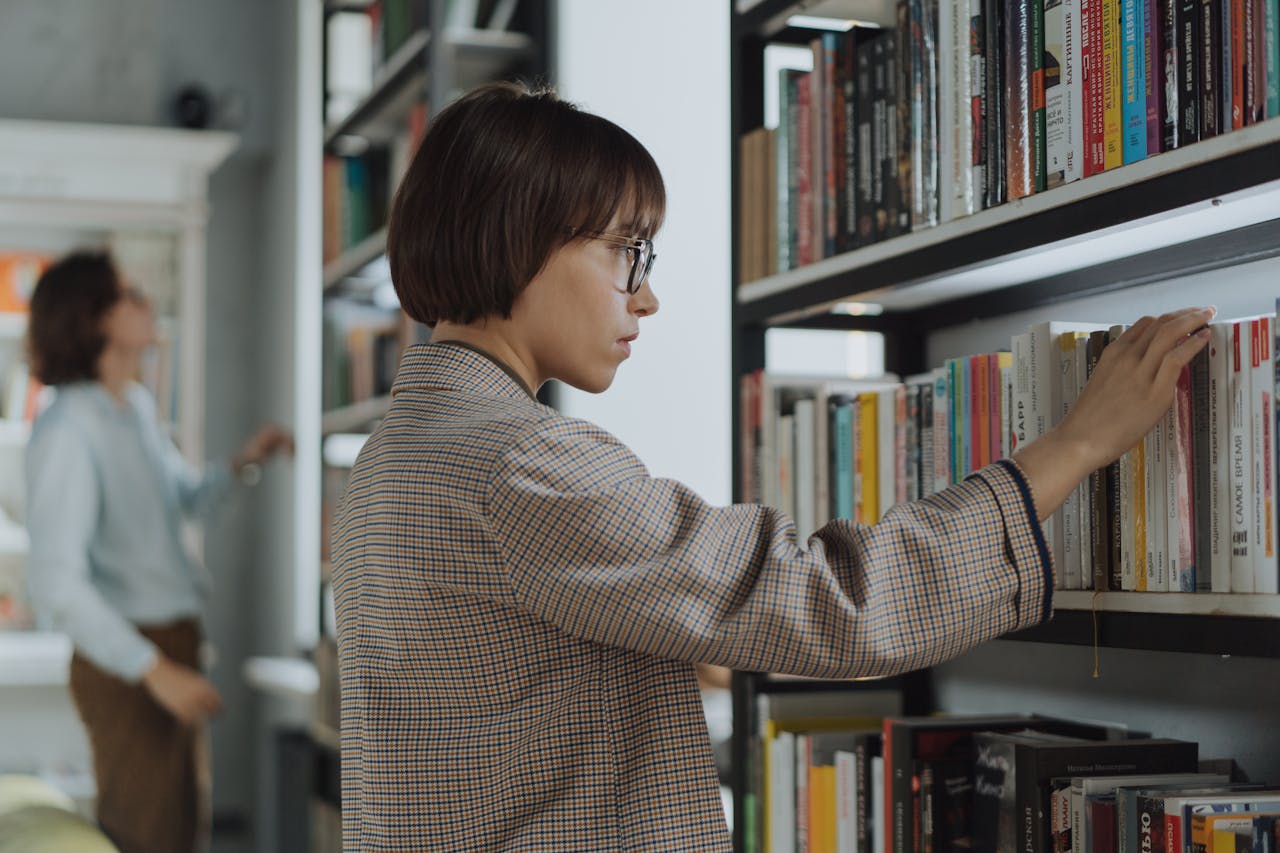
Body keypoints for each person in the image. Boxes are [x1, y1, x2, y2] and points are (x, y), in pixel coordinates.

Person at [331, 81, 1213, 851]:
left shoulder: (395, 453)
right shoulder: (518, 463)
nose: (647, 294)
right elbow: (826, 603)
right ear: (517, 237)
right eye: (623, 250)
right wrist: (1073, 446)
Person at [22, 251, 293, 853]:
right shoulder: (67, 429)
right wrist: (154, 670)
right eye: (130, 295)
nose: (147, 304)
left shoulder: (136, 409)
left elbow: (184, 500)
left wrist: (244, 462)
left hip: (171, 644)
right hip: (131, 661)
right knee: (147, 838)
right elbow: (54, 582)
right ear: (96, 319)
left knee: (180, 832)